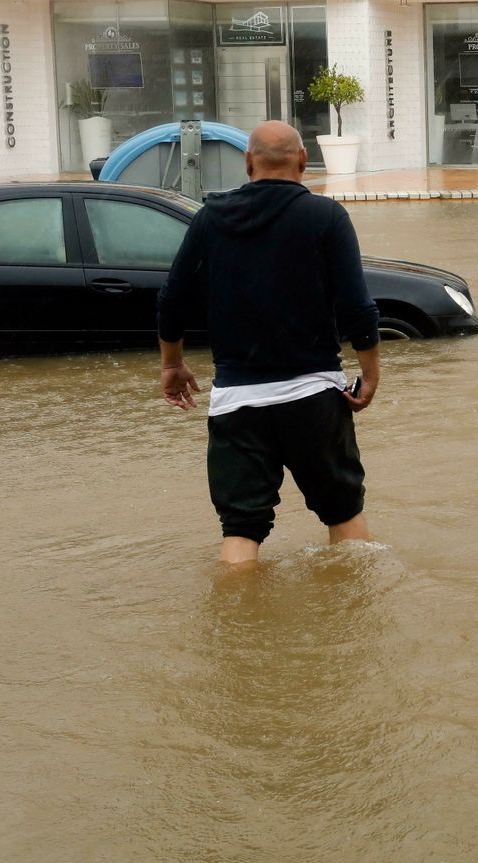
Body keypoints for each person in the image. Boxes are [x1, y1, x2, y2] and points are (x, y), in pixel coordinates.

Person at [156, 120, 381, 566]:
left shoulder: (210, 218)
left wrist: (172, 364)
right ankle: (357, 623)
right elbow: (359, 307)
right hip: (314, 396)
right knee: (344, 515)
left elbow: (172, 298)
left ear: (247, 163)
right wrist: (370, 374)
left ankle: (237, 627)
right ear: (302, 160)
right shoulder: (327, 216)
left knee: (241, 530)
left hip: (237, 402)